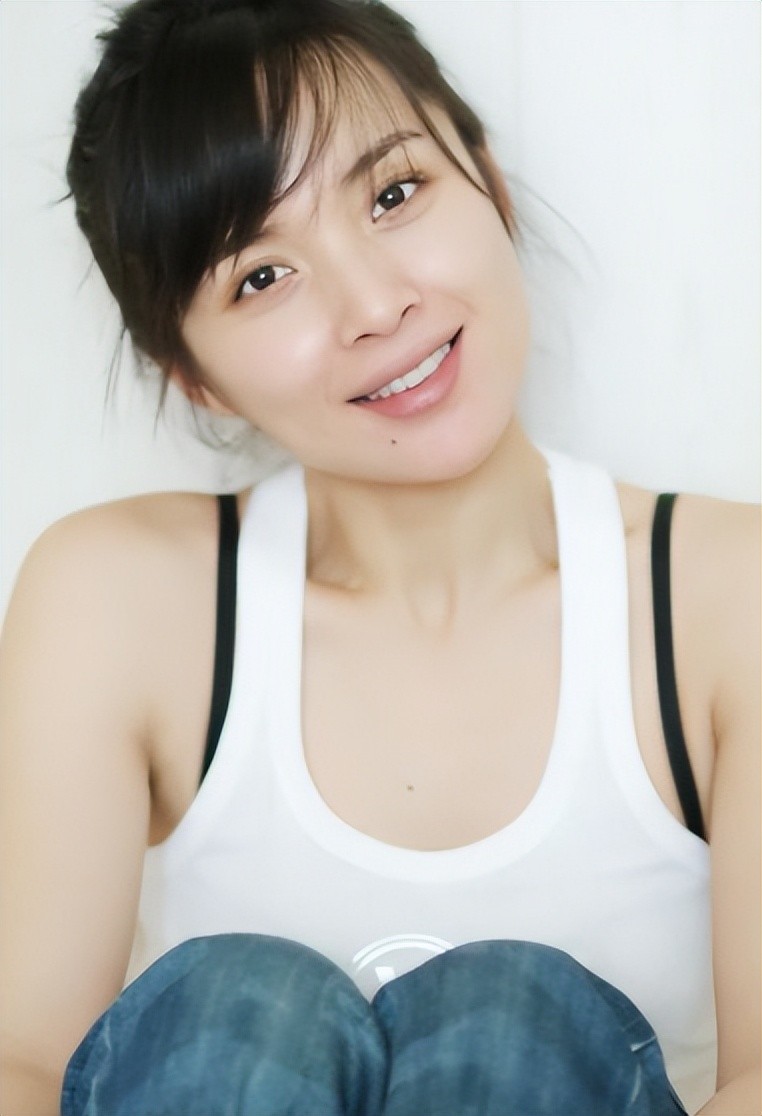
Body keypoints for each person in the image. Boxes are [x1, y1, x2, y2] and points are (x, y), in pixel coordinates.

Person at [0, 1, 758, 1114]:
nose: (375, 305)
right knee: (234, 1008)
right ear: (196, 378)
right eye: (261, 275)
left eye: (394, 194)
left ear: (487, 182)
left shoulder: (726, 598)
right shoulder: (115, 602)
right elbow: (22, 1065)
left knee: (510, 1025)